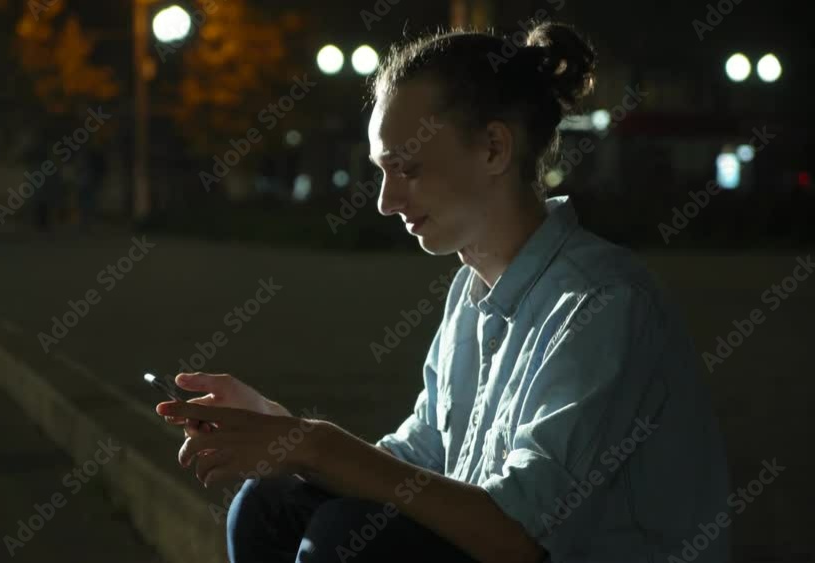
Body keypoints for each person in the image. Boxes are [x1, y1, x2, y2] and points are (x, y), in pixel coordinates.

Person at [156, 22, 730, 563]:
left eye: (407, 168)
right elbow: (418, 466)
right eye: (382, 171)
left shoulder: (601, 301)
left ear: (494, 150)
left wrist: (316, 444)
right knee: (268, 502)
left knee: (349, 539)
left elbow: (518, 537)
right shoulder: (473, 291)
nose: (385, 201)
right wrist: (281, 432)